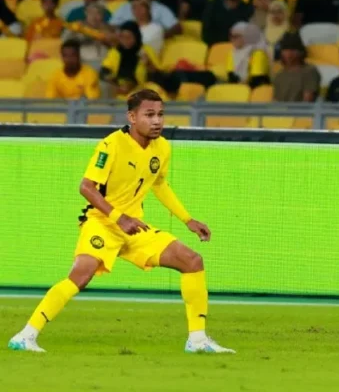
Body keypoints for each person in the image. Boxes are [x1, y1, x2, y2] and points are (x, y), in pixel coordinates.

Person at [8, 89, 235, 354]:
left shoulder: (162, 147)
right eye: (149, 115)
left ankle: (197, 340)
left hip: (134, 227)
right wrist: (118, 217)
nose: (157, 121)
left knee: (192, 261)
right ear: (132, 117)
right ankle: (26, 336)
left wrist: (188, 219)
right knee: (81, 275)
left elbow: (159, 184)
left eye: (160, 114)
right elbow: (86, 187)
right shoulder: (111, 145)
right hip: (103, 222)